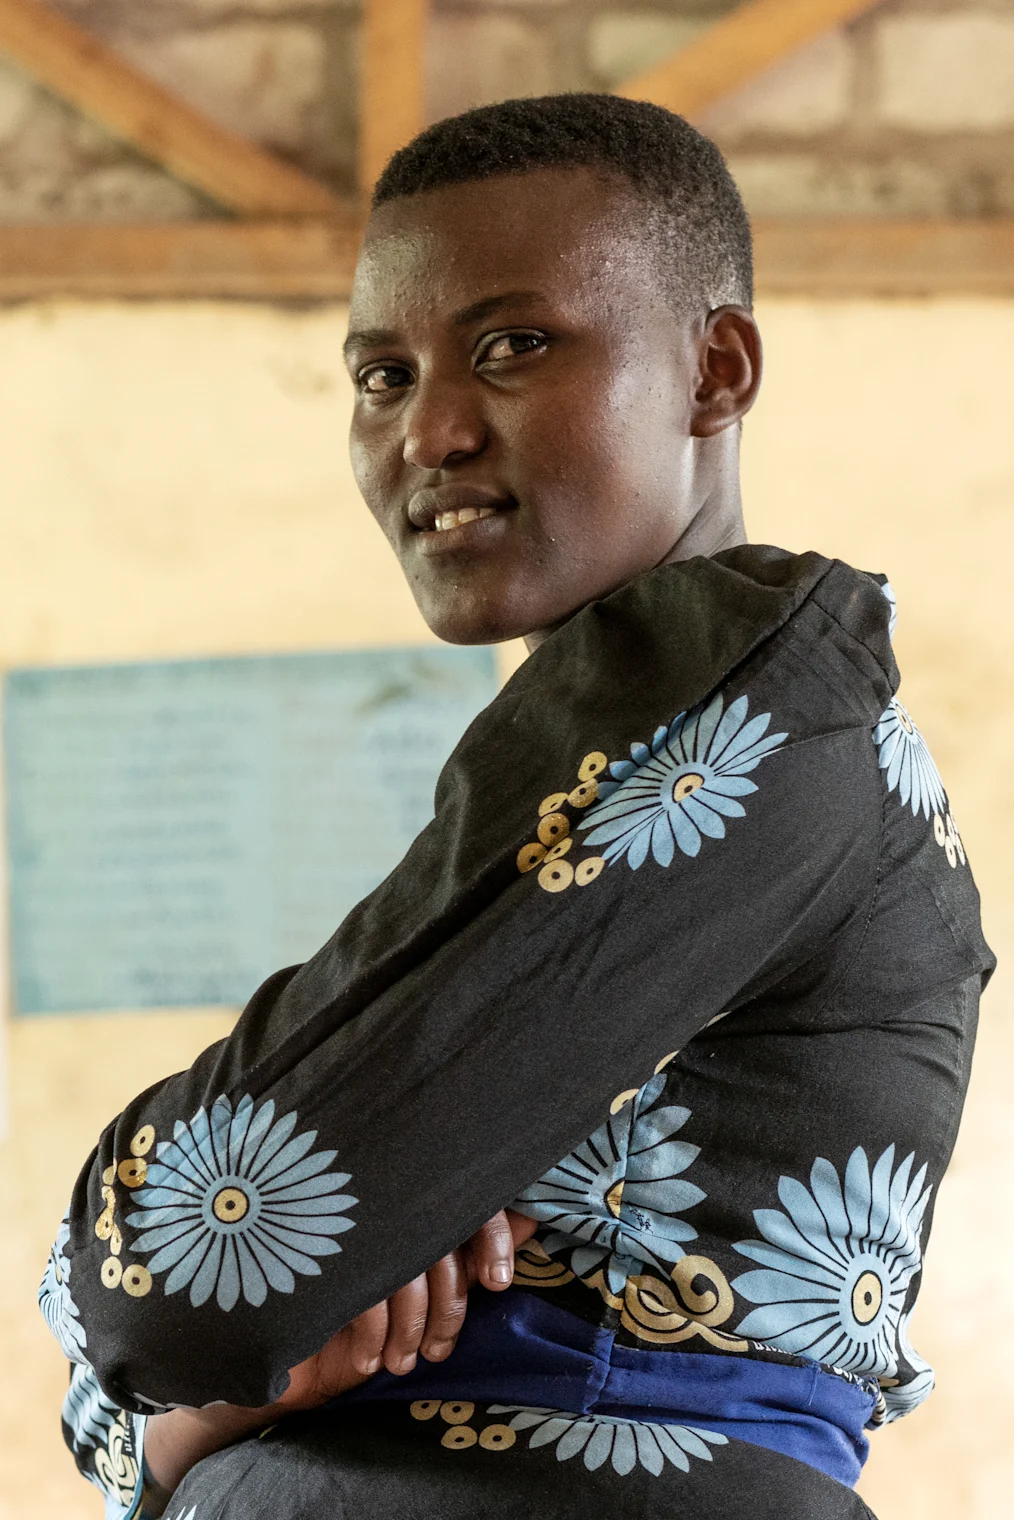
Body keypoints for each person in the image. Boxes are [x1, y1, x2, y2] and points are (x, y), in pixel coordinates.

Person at [40, 95, 993, 1520]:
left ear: (713, 369)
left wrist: (185, 1345)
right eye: (378, 374)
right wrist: (225, 1361)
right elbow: (217, 1300)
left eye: (513, 346)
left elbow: (177, 1273)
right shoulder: (623, 749)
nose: (426, 431)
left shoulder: (730, 707)